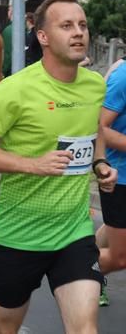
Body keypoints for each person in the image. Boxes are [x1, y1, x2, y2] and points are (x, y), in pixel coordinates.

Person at [0, 0, 117, 334]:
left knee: (85, 329)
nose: (78, 32)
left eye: (82, 25)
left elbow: (94, 128)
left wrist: (101, 163)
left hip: (74, 232)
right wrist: (34, 164)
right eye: (66, 26)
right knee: (4, 326)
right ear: (43, 37)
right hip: (19, 235)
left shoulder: (94, 85)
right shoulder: (15, 89)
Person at [94, 57, 126, 307]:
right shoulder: (122, 77)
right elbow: (101, 127)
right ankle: (76, 274)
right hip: (120, 176)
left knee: (114, 232)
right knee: (119, 257)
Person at [2, 4, 13, 77]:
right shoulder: (27, 28)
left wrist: (3, 71)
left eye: (8, 10)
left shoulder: (9, 30)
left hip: (11, 73)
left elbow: (8, 54)